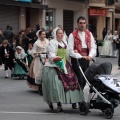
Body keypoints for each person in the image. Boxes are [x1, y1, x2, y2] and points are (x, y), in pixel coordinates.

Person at [42, 28, 84, 112]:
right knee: (57, 84)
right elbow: (51, 54)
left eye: (62, 33)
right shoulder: (52, 43)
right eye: (59, 33)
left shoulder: (65, 42)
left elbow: (69, 53)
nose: (61, 35)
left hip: (65, 65)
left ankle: (75, 101)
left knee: (73, 81)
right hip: (55, 65)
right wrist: (56, 59)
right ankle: (58, 103)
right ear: (55, 34)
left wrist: (76, 54)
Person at [68, 16, 96, 109]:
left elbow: (93, 47)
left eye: (84, 23)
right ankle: (79, 100)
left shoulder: (89, 33)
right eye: (80, 23)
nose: (82, 25)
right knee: (80, 79)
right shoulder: (72, 35)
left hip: (86, 59)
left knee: (84, 80)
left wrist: (90, 56)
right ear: (77, 24)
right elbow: (70, 50)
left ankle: (76, 98)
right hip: (76, 59)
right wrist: (80, 56)